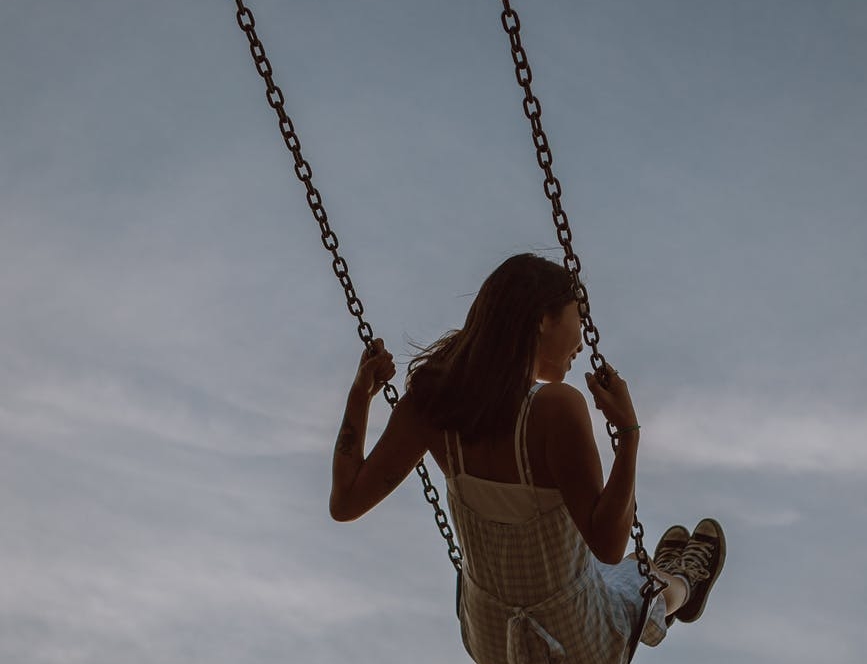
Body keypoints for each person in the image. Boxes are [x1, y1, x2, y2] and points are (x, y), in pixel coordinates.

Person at [329, 253, 725, 664]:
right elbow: (608, 543)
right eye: (579, 314)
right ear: (542, 318)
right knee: (639, 577)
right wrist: (628, 434)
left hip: (492, 639)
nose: (583, 337)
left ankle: (662, 570)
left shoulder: (430, 409)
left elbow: (345, 503)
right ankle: (684, 579)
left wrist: (360, 394)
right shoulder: (556, 408)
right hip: (575, 641)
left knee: (597, 568)